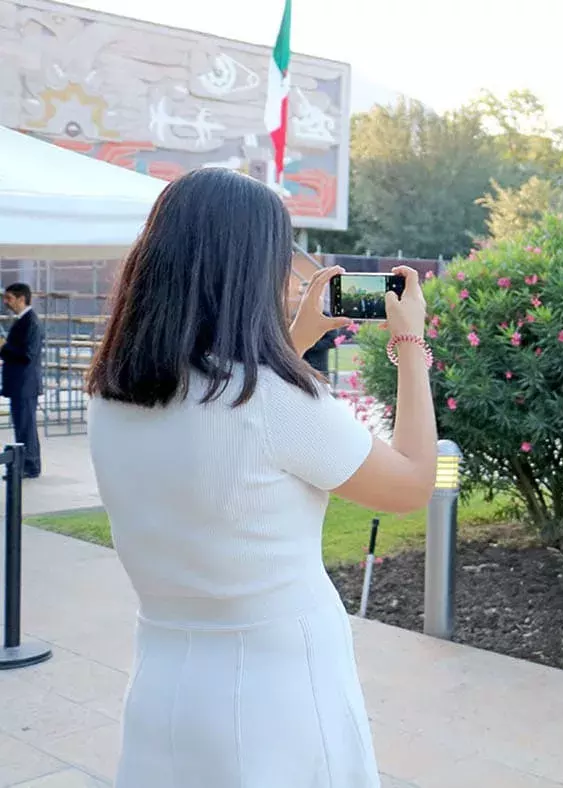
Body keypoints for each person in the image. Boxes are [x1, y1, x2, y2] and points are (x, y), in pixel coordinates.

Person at [85, 167, 437, 788]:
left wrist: (294, 340)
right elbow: (409, 485)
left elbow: (224, 415)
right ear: (251, 269)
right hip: (279, 694)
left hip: (165, 689)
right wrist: (412, 344)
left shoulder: (112, 397)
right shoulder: (273, 402)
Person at [1, 282, 44, 478]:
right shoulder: (22, 321)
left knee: (26, 427)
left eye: (9, 298)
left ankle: (30, 466)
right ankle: (24, 464)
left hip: (25, 385)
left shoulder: (30, 322)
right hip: (20, 385)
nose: (6, 302)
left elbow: (27, 355)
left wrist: (3, 347)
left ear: (21, 298)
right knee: (22, 426)